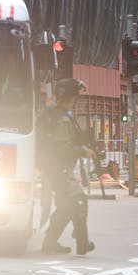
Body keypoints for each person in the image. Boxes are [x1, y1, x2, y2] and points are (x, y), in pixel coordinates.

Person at [38, 78, 96, 256]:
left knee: (65, 206)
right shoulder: (61, 118)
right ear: (68, 97)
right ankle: (82, 241)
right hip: (58, 168)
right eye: (74, 97)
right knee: (78, 200)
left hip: (54, 167)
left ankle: (50, 242)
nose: (75, 101)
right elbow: (62, 147)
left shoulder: (56, 114)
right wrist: (83, 151)